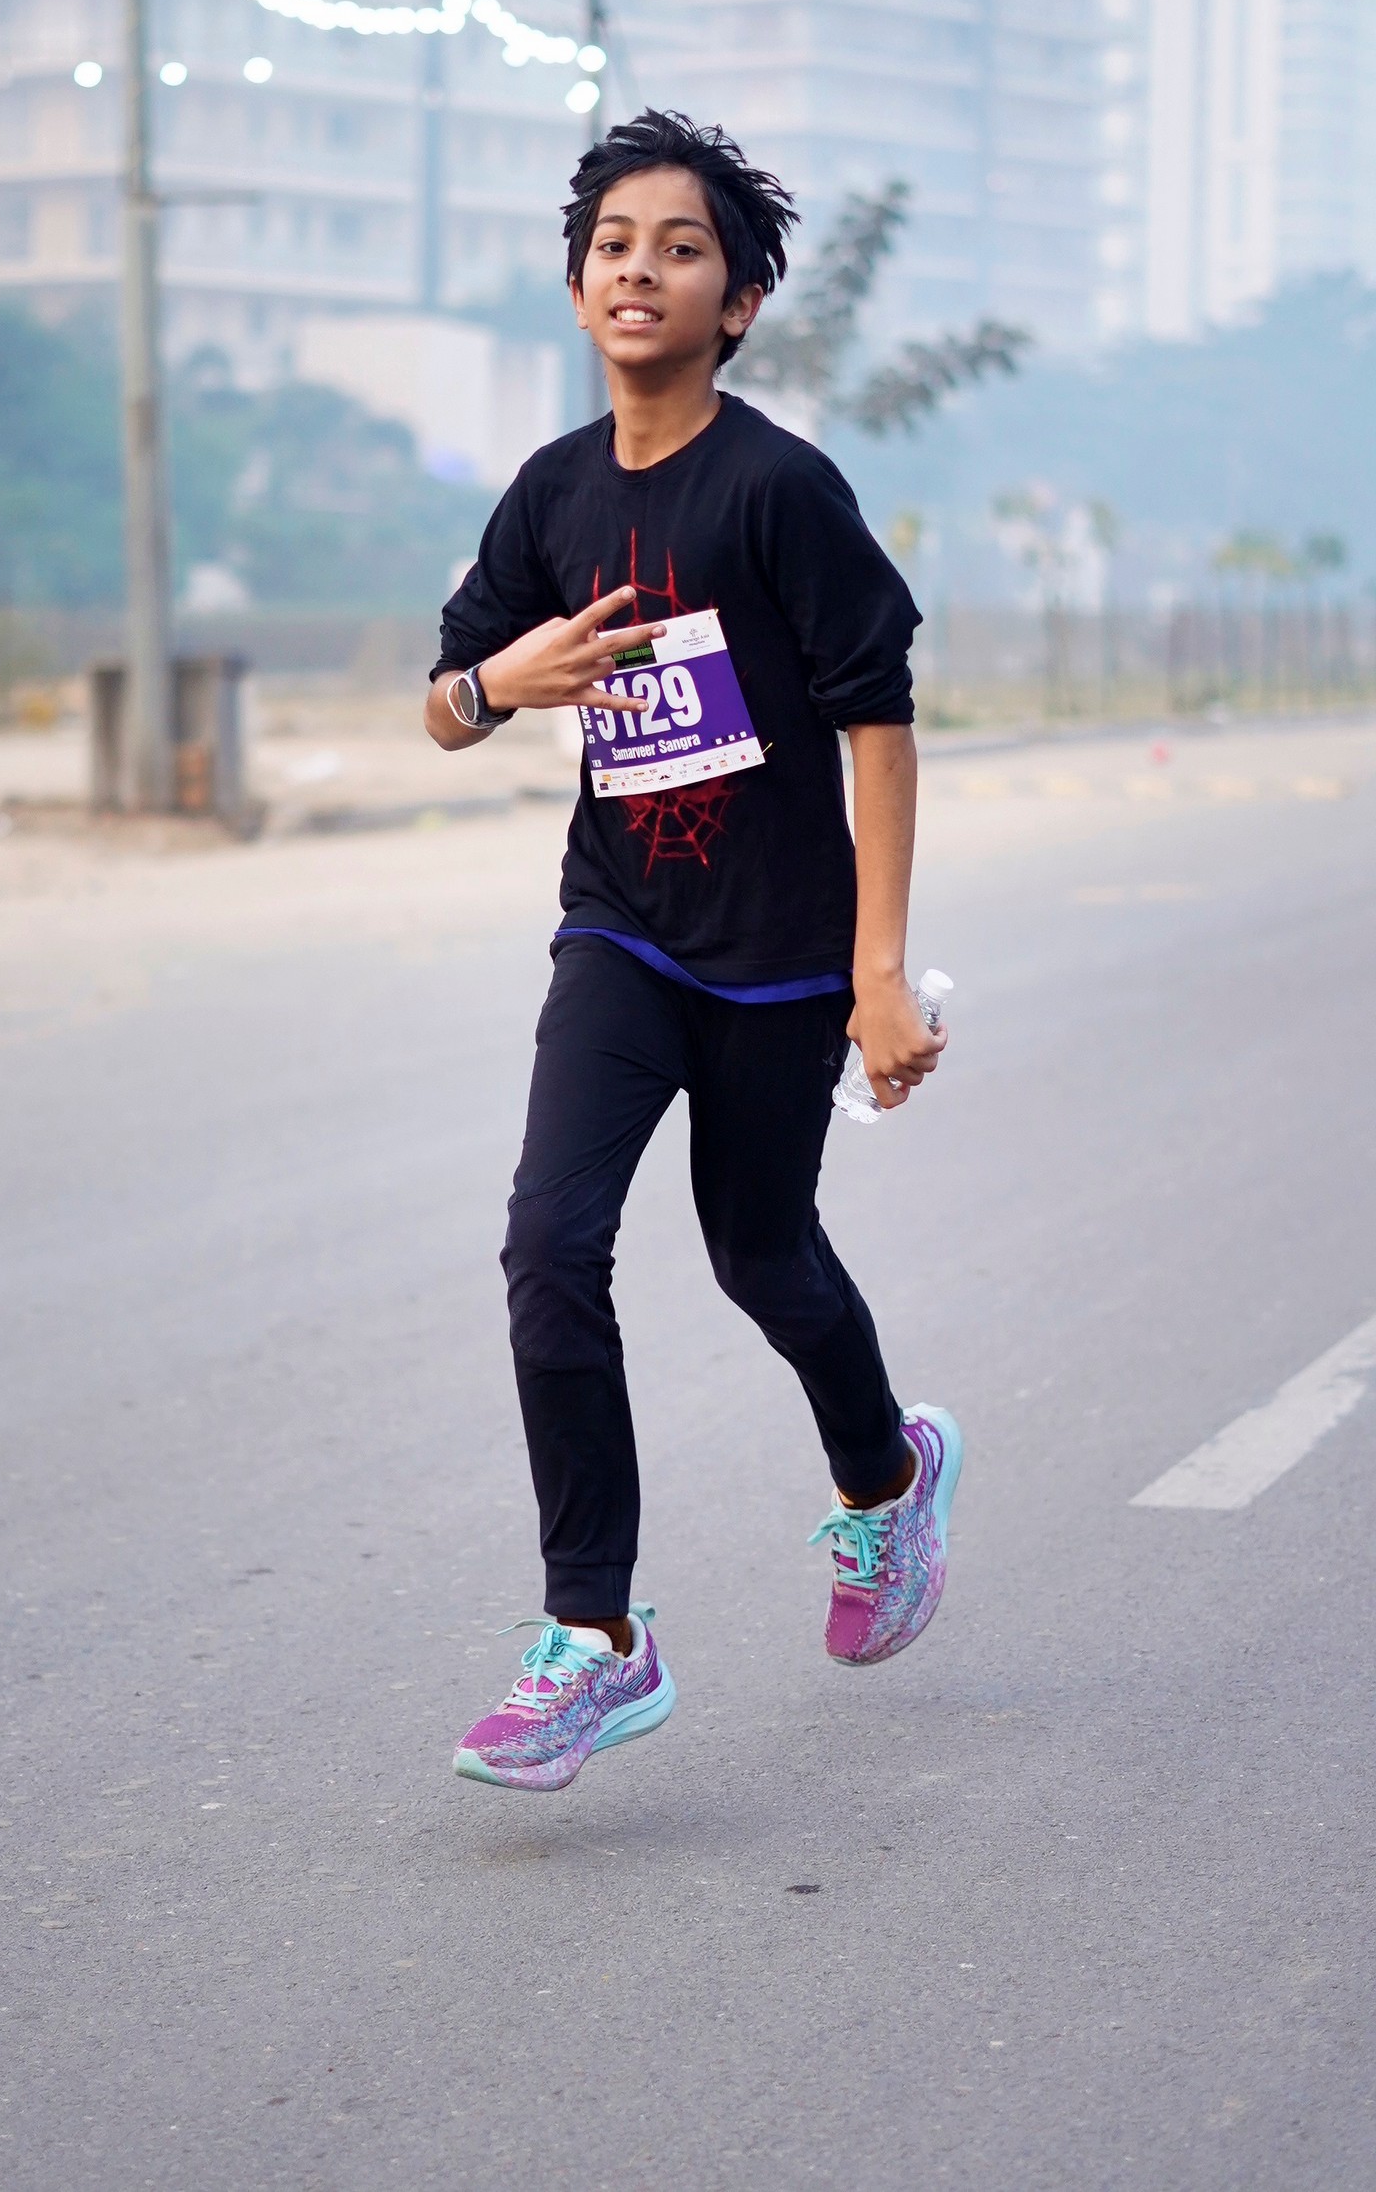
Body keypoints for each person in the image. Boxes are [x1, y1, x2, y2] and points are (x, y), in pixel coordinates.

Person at [424, 109, 960, 1795]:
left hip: (785, 952)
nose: (639, 269)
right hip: (622, 929)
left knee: (760, 1252)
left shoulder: (780, 488)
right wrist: (499, 685)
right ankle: (594, 1635)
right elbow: (444, 703)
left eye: (681, 247)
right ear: (578, 285)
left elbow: (880, 724)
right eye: (613, 245)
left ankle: (888, 1479)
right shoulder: (551, 493)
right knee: (547, 1239)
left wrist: (880, 973)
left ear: (738, 302)